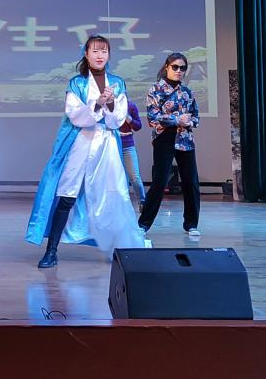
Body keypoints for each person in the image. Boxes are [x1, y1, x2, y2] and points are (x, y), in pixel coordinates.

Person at [26, 35, 147, 268]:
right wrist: (98, 103)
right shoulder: (77, 83)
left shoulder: (117, 83)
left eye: (104, 51)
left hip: (106, 144)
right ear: (86, 54)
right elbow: (74, 114)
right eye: (95, 51)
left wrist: (110, 103)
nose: (100, 56)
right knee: (67, 194)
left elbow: (118, 119)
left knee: (115, 194)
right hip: (80, 142)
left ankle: (119, 248)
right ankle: (51, 251)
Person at [138, 52, 202, 237]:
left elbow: (196, 117)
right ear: (167, 67)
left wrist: (189, 122)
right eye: (175, 67)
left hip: (185, 139)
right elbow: (152, 118)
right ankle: (143, 224)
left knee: (191, 182)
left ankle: (191, 224)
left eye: (182, 68)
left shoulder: (187, 91)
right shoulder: (155, 90)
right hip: (164, 138)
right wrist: (176, 120)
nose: (178, 71)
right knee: (159, 182)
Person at [120, 100, 146, 205]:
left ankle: (142, 202)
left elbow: (138, 126)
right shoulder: (106, 107)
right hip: (112, 145)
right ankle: (121, 204)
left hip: (127, 146)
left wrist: (128, 118)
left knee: (134, 177)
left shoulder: (130, 106)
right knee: (116, 177)